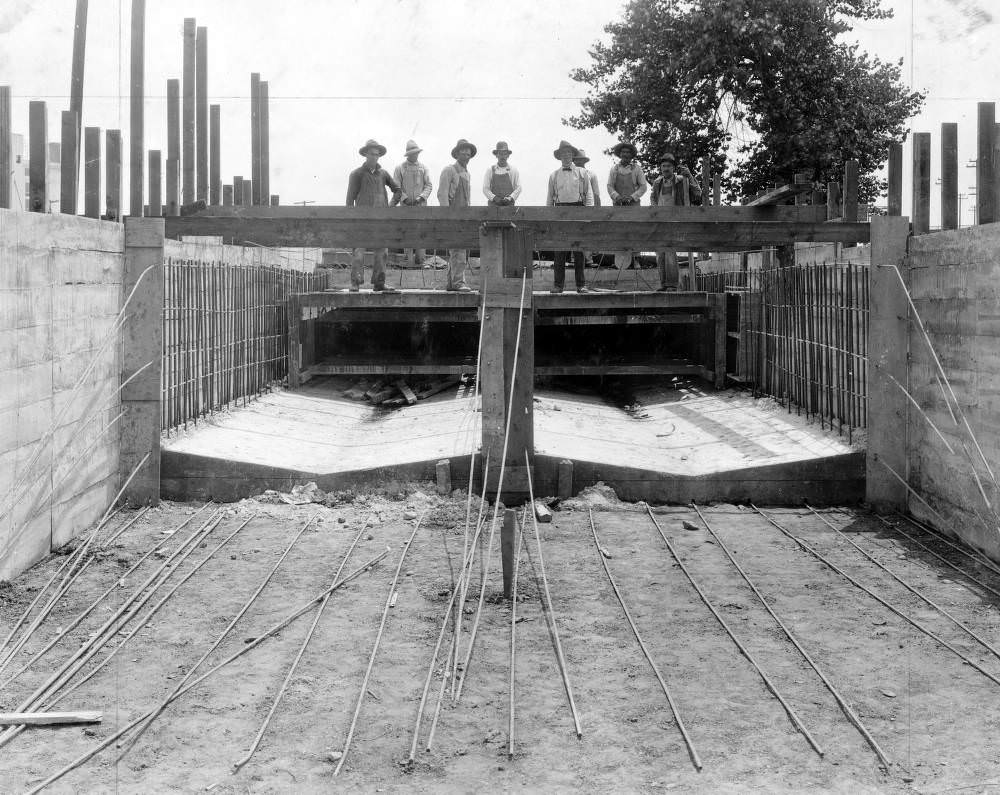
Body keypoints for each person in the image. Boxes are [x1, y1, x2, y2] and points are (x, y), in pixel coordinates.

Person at [345, 139, 400, 293]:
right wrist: (351, 221)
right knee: (358, 251)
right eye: (371, 154)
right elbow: (349, 200)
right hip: (361, 221)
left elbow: (397, 190)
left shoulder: (383, 174)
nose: (374, 157)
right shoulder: (356, 174)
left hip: (381, 221)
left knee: (382, 252)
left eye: (377, 154)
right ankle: (355, 282)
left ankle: (379, 283)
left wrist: (390, 207)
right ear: (365, 155)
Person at [546, 140, 594, 294]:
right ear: (559, 157)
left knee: (579, 250)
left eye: (568, 153)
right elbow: (550, 198)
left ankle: (581, 285)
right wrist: (550, 218)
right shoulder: (554, 175)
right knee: (560, 250)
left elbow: (589, 196)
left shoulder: (582, 173)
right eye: (563, 154)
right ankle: (558, 285)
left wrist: (587, 215)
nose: (566, 156)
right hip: (560, 211)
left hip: (578, 210)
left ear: (572, 155)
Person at [650, 153, 702, 291]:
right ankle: (663, 284)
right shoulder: (657, 183)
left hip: (675, 221)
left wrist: (689, 175)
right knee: (660, 253)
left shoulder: (681, 180)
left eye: (668, 166)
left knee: (670, 251)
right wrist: (655, 214)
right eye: (663, 166)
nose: (665, 169)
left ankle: (672, 285)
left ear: (673, 168)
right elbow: (653, 199)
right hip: (660, 222)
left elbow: (697, 194)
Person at [438, 138, 477, 292]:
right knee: (457, 250)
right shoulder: (449, 170)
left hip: (464, 217)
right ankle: (458, 282)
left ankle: (451, 283)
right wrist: (448, 217)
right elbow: (442, 194)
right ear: (457, 154)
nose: (466, 155)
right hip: (453, 217)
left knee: (461, 250)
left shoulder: (466, 173)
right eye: (463, 152)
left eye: (468, 153)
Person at [392, 139, 433, 268]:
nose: (414, 155)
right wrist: (405, 198)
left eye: (416, 153)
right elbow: (396, 186)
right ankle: (407, 261)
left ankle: (421, 260)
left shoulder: (424, 168)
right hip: (406, 206)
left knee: (421, 231)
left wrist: (421, 198)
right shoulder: (400, 168)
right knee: (407, 231)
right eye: (412, 153)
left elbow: (429, 185)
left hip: (420, 206)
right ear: (408, 154)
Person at [607, 142, 647, 270]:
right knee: (618, 231)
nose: (625, 155)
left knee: (634, 231)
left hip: (633, 205)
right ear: (620, 154)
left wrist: (632, 197)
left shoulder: (637, 168)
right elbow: (609, 186)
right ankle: (619, 262)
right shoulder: (614, 169)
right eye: (623, 152)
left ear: (631, 155)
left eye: (628, 152)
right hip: (618, 206)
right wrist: (616, 197)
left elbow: (643, 186)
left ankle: (636, 260)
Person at [572, 148, 602, 268]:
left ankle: (588, 260)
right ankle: (574, 259)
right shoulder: (571, 173)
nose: (579, 162)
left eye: (581, 160)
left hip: (588, 206)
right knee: (574, 231)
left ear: (585, 161)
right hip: (575, 206)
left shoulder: (591, 174)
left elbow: (596, 192)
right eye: (577, 160)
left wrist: (598, 209)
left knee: (588, 232)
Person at [483, 141, 522, 207]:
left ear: (508, 155)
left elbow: (518, 187)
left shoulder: (513, 170)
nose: (502, 156)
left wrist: (510, 198)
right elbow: (485, 188)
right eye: (500, 153)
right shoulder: (490, 170)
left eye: (504, 154)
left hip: (509, 207)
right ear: (496, 155)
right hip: (493, 207)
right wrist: (495, 198)